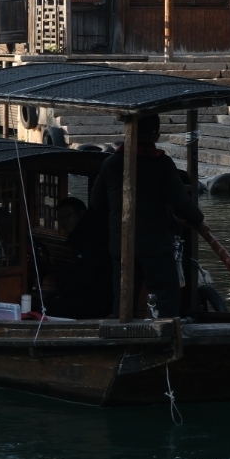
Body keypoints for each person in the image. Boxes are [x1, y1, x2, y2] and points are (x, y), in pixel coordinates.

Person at [89, 113, 203, 318]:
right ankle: (166, 335)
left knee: (123, 297)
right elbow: (180, 201)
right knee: (165, 293)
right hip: (154, 244)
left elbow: (97, 205)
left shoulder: (111, 163)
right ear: (156, 135)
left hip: (121, 243)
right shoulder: (160, 163)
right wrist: (199, 220)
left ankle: (123, 335)